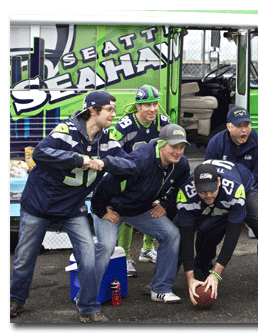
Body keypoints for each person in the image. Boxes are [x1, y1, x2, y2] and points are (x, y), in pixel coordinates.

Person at [10, 91, 136, 322]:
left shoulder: (107, 139)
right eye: (109, 109)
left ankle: (88, 307)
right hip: (39, 203)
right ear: (93, 110)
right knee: (25, 257)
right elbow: (41, 153)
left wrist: (105, 162)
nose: (113, 114)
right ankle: (15, 300)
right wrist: (81, 160)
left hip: (72, 207)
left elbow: (131, 164)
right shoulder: (66, 131)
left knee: (88, 254)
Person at [177, 160, 258, 306]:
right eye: (203, 191)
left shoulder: (235, 189)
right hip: (218, 199)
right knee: (182, 233)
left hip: (244, 188)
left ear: (218, 182)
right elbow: (186, 238)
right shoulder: (185, 193)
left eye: (211, 189)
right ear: (194, 186)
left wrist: (217, 274)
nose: (208, 194)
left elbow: (232, 235)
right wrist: (189, 278)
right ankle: (166, 281)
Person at [91, 124, 190, 304]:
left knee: (171, 234)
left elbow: (180, 188)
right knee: (106, 246)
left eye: (181, 147)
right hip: (114, 209)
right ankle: (89, 295)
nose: (178, 151)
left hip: (141, 209)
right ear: (161, 144)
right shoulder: (140, 161)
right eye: (174, 146)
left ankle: (160, 289)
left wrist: (166, 204)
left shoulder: (181, 164)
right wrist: (101, 210)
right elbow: (105, 184)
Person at [205, 106, 258, 287]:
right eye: (239, 126)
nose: (244, 129)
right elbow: (209, 175)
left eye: (247, 125)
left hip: (252, 193)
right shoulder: (216, 143)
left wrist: (244, 209)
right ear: (229, 126)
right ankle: (203, 266)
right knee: (207, 228)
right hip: (220, 196)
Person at [111, 84, 171, 277]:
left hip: (154, 175)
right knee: (127, 216)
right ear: (138, 106)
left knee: (152, 207)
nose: (152, 108)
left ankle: (146, 249)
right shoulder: (126, 124)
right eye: (147, 105)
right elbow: (112, 147)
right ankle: (125, 256)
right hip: (130, 177)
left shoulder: (163, 122)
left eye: (155, 104)